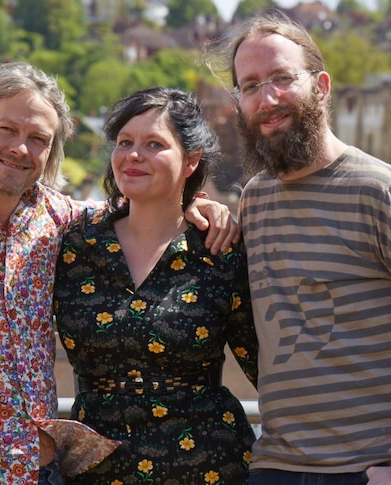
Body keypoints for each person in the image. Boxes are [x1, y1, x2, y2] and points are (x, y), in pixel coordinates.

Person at [0, 62, 240, 484]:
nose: (20, 148)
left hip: (37, 470)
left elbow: (145, 205)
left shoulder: (59, 220)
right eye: (6, 130)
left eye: (38, 139)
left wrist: (198, 204)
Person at [205, 9, 391, 485]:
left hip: (378, 468)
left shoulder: (381, 191)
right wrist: (204, 209)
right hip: (278, 466)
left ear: (321, 85)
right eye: (250, 85)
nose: (267, 98)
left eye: (281, 78)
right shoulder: (256, 198)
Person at [52, 87, 258, 484]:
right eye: (125, 142)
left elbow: (264, 367)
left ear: (190, 161)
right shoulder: (75, 242)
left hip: (205, 465)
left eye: (154, 144)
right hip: (94, 469)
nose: (133, 154)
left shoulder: (220, 249)